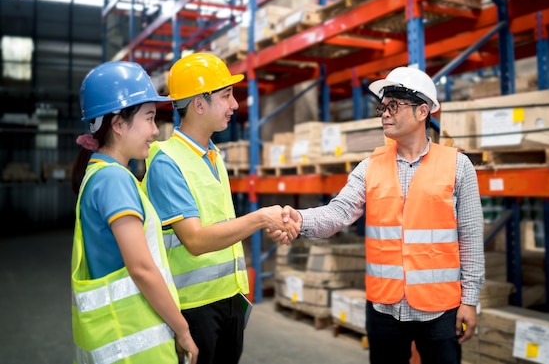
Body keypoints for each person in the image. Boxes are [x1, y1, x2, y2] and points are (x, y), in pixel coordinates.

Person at [286, 66, 485, 364]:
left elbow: (471, 238)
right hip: (384, 307)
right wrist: (298, 221)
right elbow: (338, 213)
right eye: (383, 106)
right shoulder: (369, 166)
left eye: (394, 106)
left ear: (422, 112)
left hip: (440, 309)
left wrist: (470, 301)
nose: (384, 114)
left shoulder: (458, 166)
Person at [141, 52, 300, 364]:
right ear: (199, 104)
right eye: (226, 96)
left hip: (229, 299)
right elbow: (196, 240)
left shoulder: (213, 156)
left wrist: (270, 223)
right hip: (193, 307)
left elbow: (220, 225)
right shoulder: (167, 162)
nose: (235, 105)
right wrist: (259, 218)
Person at [70, 61, 199, 364]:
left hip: (119, 338)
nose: (155, 131)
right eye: (149, 118)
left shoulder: (101, 173)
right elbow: (141, 268)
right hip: (134, 344)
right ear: (117, 124)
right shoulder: (113, 180)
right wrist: (182, 329)